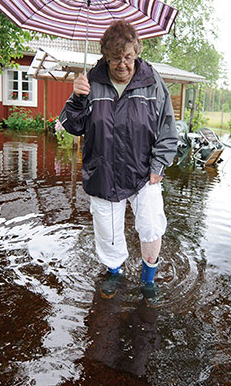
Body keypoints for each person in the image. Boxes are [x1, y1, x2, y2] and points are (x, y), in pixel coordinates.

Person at [59, 20, 177, 306]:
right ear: (105, 56)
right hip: (104, 172)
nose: (122, 64)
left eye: (127, 57)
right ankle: (115, 271)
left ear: (136, 51)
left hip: (144, 172)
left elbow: (167, 128)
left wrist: (158, 165)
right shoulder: (91, 81)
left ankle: (148, 278)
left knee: (150, 225)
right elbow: (72, 126)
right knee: (108, 233)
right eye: (115, 59)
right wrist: (76, 100)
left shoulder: (152, 81)